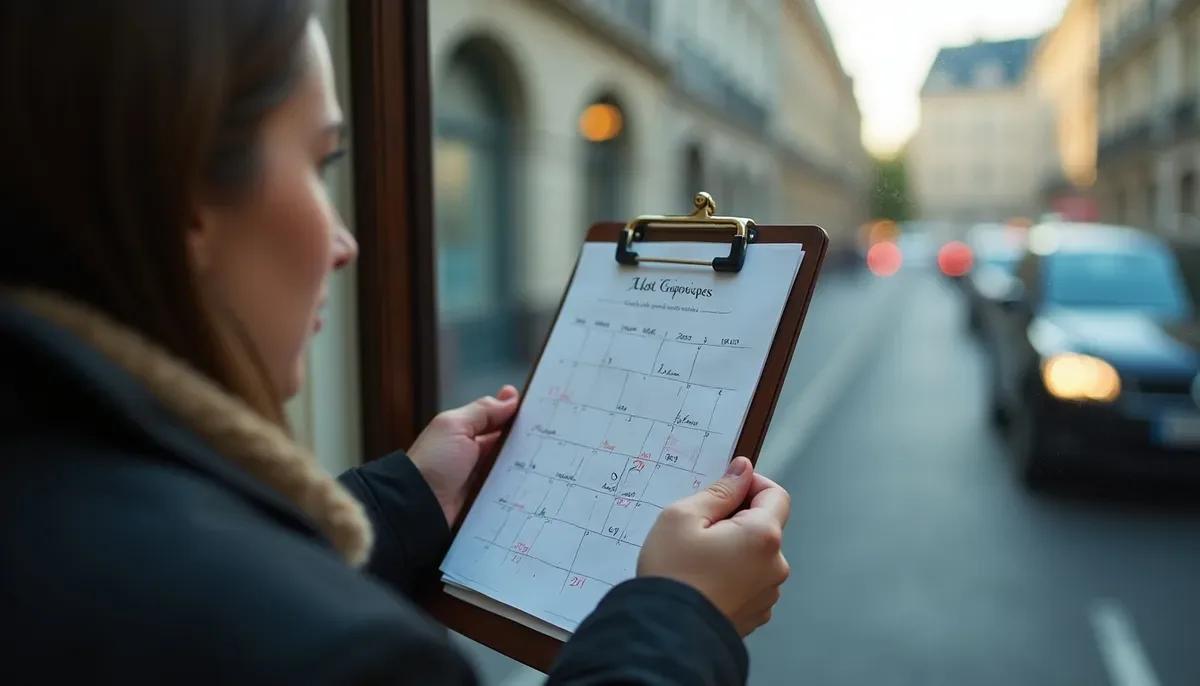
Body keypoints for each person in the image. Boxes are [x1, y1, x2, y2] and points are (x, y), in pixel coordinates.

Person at [0, 2, 791, 683]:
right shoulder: (336, 655)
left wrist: (410, 499)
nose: (343, 241)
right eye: (322, 161)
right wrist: (682, 621)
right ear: (188, 201)